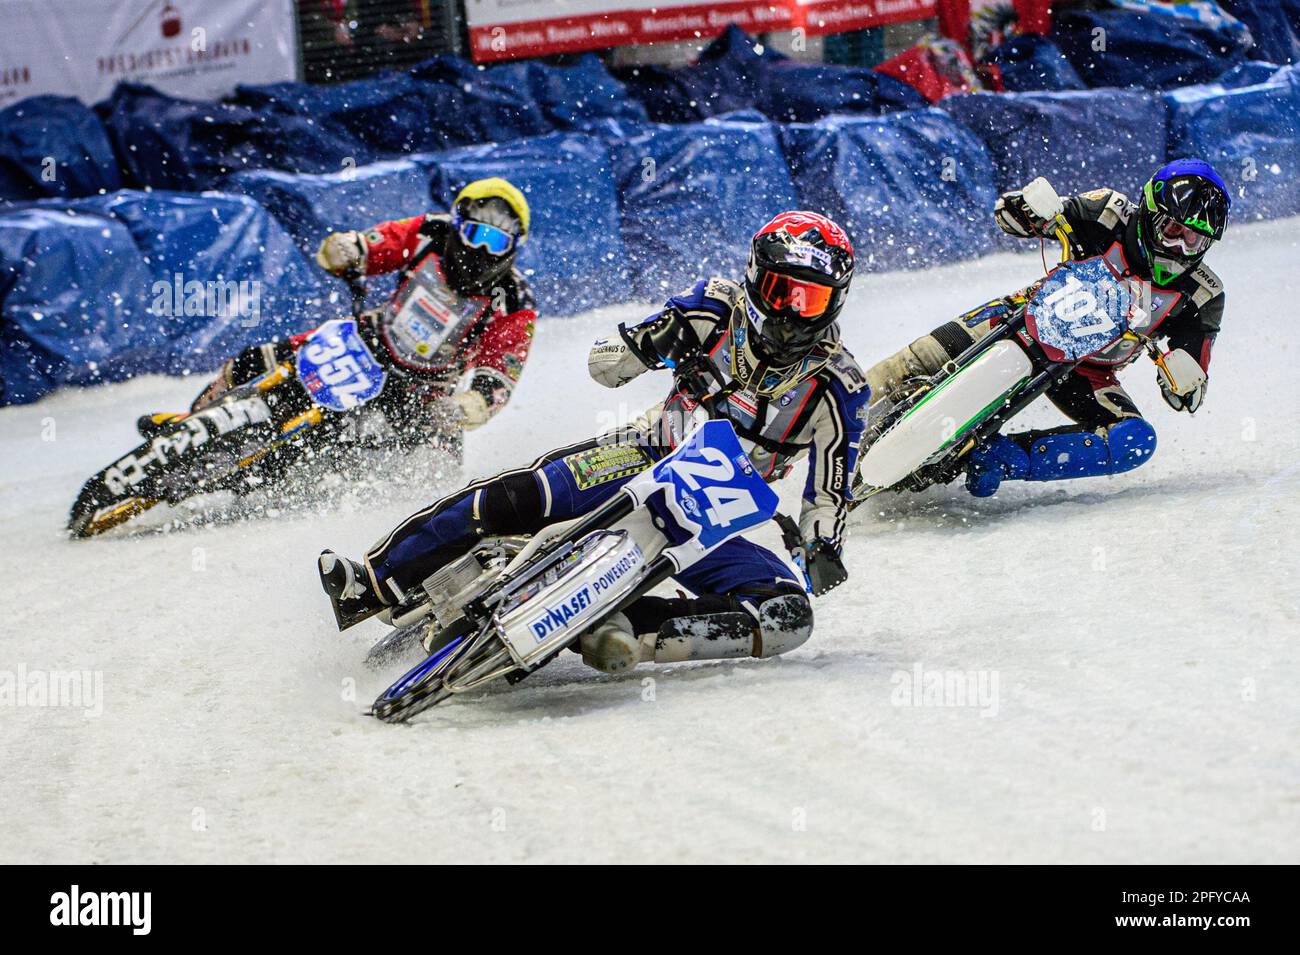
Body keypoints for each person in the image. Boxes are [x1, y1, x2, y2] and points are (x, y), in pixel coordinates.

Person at [319, 211, 871, 674]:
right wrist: (650, 344)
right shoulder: (711, 308)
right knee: (526, 496)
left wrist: (823, 548)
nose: (790, 313)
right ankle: (372, 581)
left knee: (786, 614)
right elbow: (602, 366)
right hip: (645, 452)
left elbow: (830, 490)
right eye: (781, 292)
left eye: (810, 299)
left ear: (837, 303)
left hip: (713, 514)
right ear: (754, 278)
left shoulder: (839, 389)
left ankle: (623, 625)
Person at [864, 158, 1230, 497]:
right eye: (1172, 229)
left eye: (1193, 239)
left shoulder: (1203, 295)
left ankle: (1004, 457)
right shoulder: (1107, 212)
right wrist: (1027, 208)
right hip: (1024, 315)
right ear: (1151, 211)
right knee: (913, 361)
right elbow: (1015, 215)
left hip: (1088, 371)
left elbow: (1190, 391)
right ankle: (839, 407)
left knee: (1134, 440)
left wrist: (1184, 380)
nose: (1179, 246)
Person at [140, 177, 536, 453]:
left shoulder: (515, 301)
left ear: (514, 247)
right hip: (364, 341)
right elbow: (378, 244)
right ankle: (195, 421)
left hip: (427, 390)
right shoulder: (430, 231)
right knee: (251, 361)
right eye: (475, 233)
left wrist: (472, 405)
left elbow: (500, 371)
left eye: (497, 241)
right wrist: (348, 249)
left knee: (422, 464)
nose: (482, 250)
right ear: (457, 225)